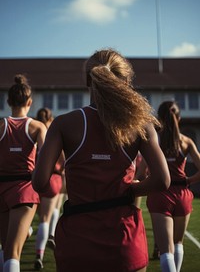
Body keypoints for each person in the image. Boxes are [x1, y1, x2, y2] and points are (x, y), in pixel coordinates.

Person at [32, 48, 170, 272]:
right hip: (124, 240)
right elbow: (163, 180)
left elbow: (39, 182)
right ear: (126, 81)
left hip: (77, 241)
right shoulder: (141, 125)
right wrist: (132, 190)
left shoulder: (64, 123)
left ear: (88, 80)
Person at [0, 74, 47, 272]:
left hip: (1, 189)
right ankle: (25, 231)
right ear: (30, 102)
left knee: (5, 249)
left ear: (8, 101)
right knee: (13, 254)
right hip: (24, 190)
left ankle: (24, 231)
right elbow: (45, 160)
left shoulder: (1, 125)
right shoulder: (37, 126)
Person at [146, 100, 200, 272]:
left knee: (165, 251)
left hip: (160, 194)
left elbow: (141, 173)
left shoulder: (154, 141)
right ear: (179, 117)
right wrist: (189, 181)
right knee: (178, 244)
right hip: (182, 194)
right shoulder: (186, 142)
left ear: (159, 118)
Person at [33, 108, 65, 271]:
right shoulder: (54, 133)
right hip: (53, 178)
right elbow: (64, 160)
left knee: (37, 217)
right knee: (47, 216)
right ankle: (40, 253)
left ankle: (40, 234)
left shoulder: (33, 129)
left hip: (32, 179)